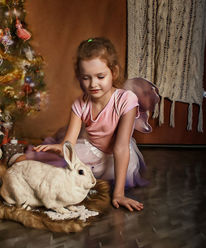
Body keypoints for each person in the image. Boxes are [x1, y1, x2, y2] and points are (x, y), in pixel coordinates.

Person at [13, 37, 148, 212]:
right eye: (86, 78)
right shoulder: (80, 104)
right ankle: (22, 159)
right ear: (79, 77)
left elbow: (120, 148)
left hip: (118, 155)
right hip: (91, 149)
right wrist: (59, 147)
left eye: (100, 76)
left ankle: (110, 182)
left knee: (109, 170)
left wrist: (118, 194)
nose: (93, 84)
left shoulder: (126, 100)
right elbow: (69, 144)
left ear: (113, 72)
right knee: (62, 163)